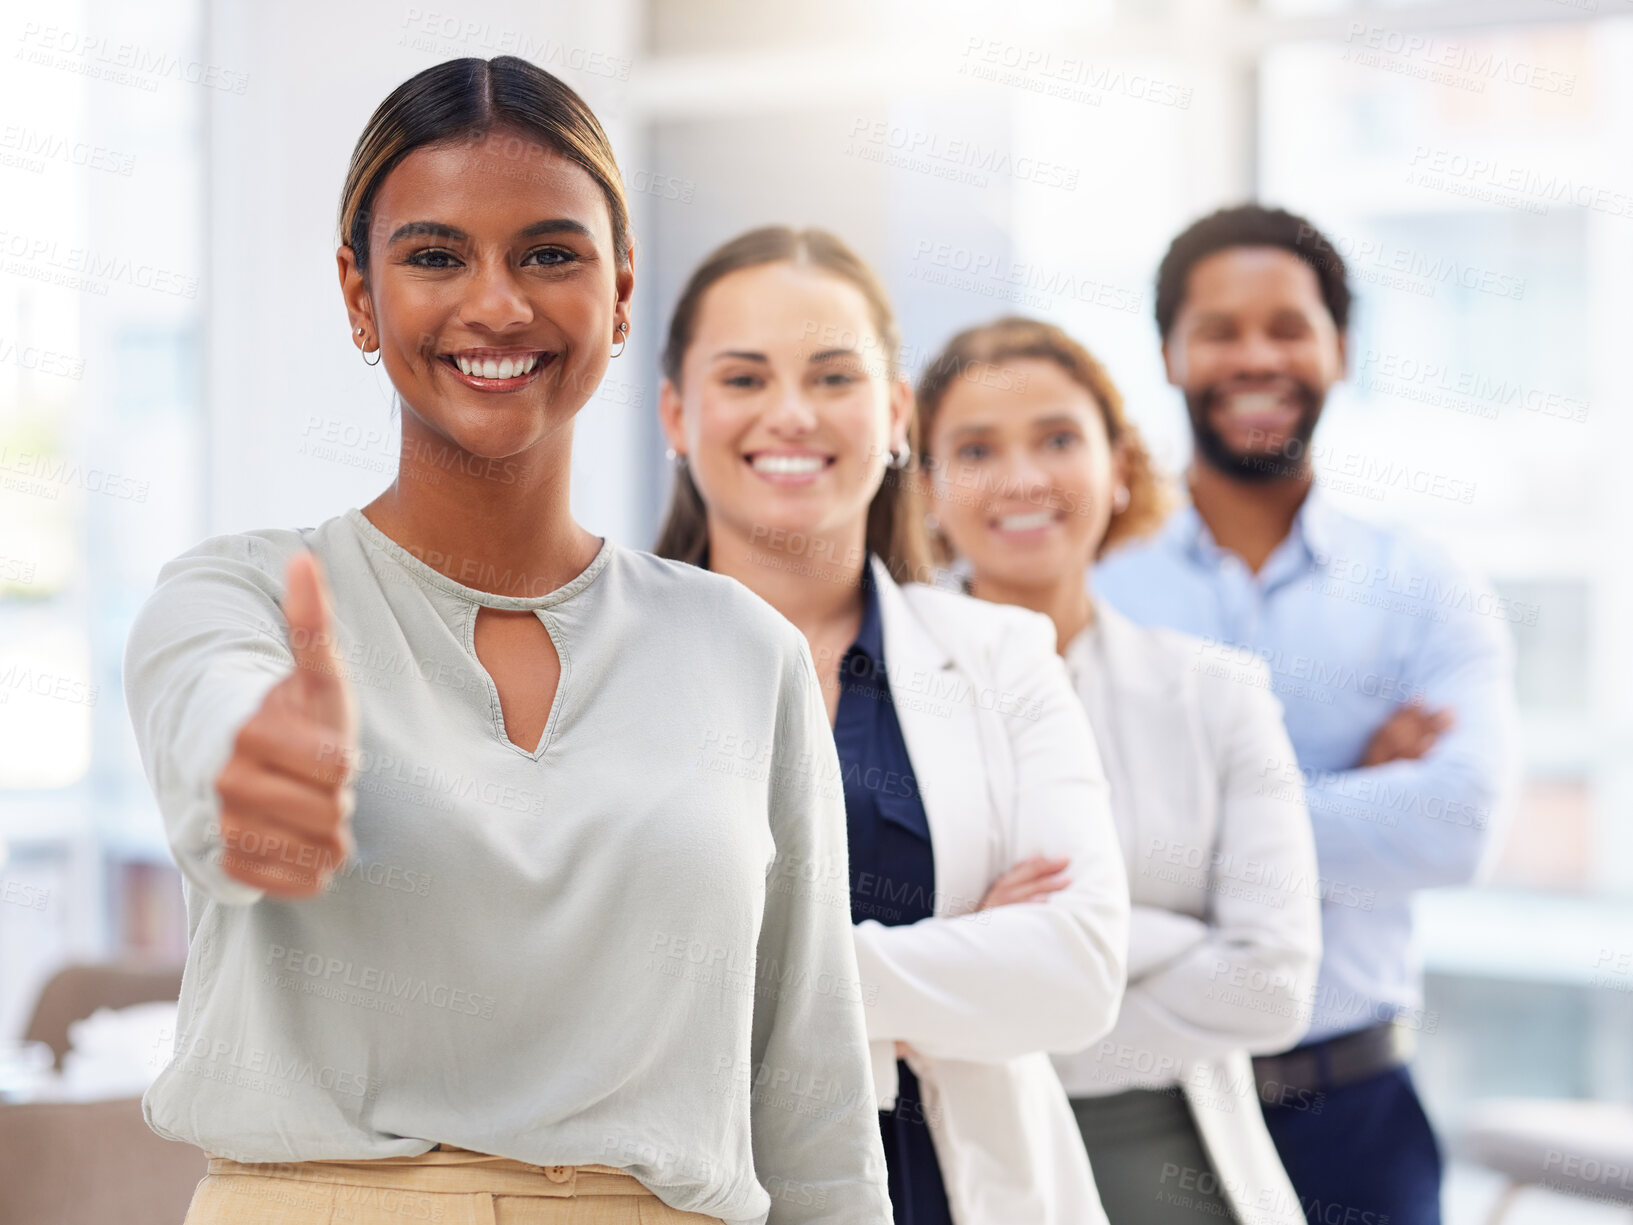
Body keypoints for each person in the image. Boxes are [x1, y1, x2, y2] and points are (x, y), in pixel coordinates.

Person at [122, 57, 891, 1225]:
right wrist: (256, 770)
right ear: (358, 294)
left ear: (621, 291)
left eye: (550, 254)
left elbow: (811, 1093)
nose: (496, 304)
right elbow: (214, 732)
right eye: (434, 256)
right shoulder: (244, 597)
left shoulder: (744, 650)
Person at [653, 226, 1131, 1225]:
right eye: (744, 378)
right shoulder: (594, 666)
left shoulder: (1002, 655)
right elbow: (584, 990)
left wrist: (746, 975)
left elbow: (1077, 974)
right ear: (675, 413)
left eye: (832, 376)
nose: (790, 413)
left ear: (897, 412)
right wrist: (951, 960)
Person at [1094, 204, 1522, 1225]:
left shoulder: (1423, 581)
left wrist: (1177, 832)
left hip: (1357, 1118)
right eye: (1220, 329)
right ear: (1168, 351)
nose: (1255, 355)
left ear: (1339, 349)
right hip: (1129, 1113)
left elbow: (1459, 825)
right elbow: (1059, 844)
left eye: (1287, 326)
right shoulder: (1088, 578)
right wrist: (1361, 789)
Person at [913, 315, 1322, 1225]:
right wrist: (1165, 937)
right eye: (976, 448)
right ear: (928, 489)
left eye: (1058, 438)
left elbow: (1273, 982)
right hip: (949, 1169)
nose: (1022, 477)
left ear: (1119, 465)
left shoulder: (1217, 694)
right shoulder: (869, 686)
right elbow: (865, 981)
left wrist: (1024, 972)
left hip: (1186, 1176)